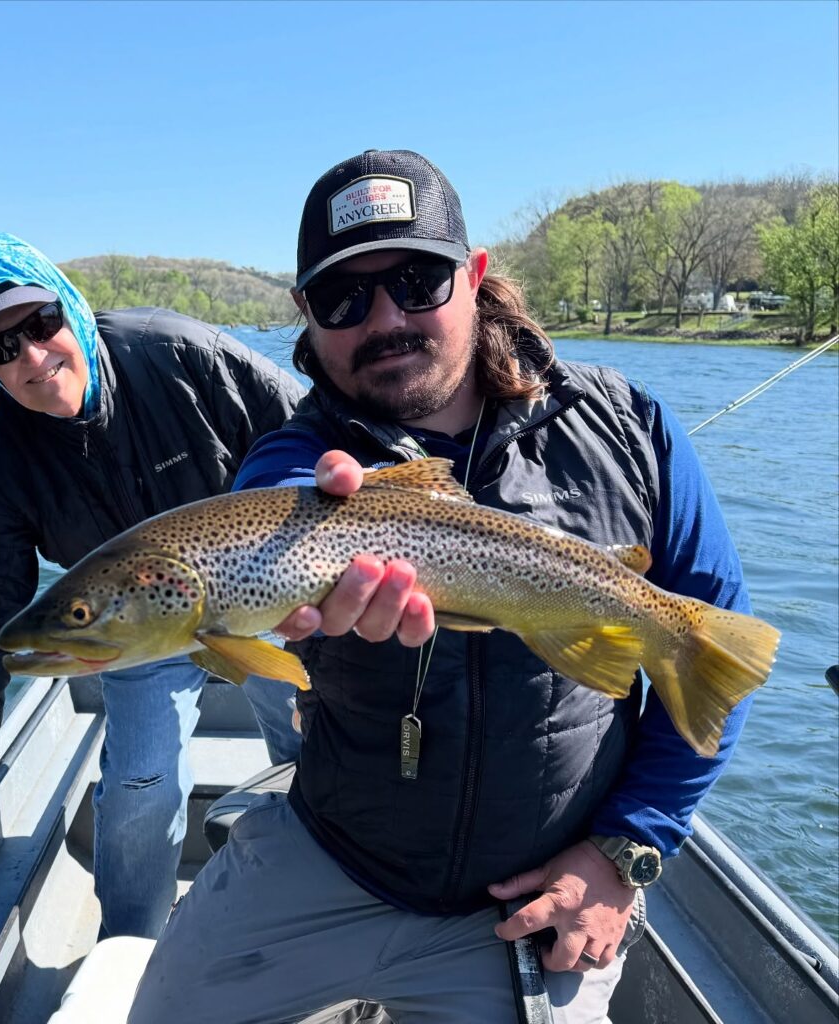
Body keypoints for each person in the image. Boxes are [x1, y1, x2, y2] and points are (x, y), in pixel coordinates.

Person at [128, 150, 759, 1022]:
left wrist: (627, 849)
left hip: (537, 891)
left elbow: (718, 645)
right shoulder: (300, 460)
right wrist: (301, 527)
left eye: (417, 280)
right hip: (337, 855)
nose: (385, 318)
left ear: (475, 276)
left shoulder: (631, 429)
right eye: (343, 297)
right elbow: (273, 501)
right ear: (306, 314)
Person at [0, 233, 304, 940]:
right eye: (2, 348)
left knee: (317, 732)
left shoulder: (180, 353)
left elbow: (315, 430)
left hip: (265, 596)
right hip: (129, 633)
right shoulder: (1, 461)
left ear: (72, 307)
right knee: (138, 789)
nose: (33, 355)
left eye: (41, 323)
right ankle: (129, 947)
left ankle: (324, 882)